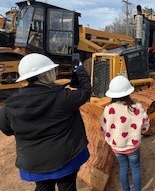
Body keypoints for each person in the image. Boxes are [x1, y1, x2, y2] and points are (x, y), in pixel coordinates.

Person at [0, 53, 91, 191]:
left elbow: (6, 129)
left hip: (35, 163)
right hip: (65, 159)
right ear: (47, 74)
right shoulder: (63, 97)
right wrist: (81, 71)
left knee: (43, 187)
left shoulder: (11, 106)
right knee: (67, 186)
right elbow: (85, 92)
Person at [100, 75, 150, 191]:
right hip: (133, 147)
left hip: (117, 147)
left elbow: (103, 128)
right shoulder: (136, 108)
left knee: (123, 168)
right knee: (135, 168)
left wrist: (111, 138)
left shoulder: (108, 109)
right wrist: (140, 133)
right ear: (129, 92)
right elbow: (145, 125)